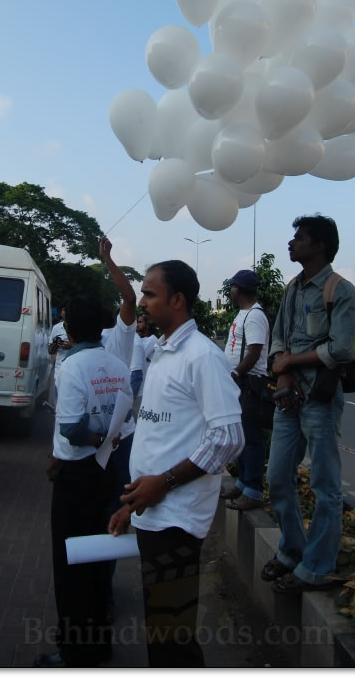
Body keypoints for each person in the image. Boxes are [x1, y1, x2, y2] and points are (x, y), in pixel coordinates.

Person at [108, 260, 244, 668]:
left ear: (178, 300)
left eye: (149, 293)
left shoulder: (202, 356)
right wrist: (132, 503)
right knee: (161, 631)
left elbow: (227, 438)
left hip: (176, 521)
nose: (141, 301)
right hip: (154, 512)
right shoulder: (164, 351)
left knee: (172, 640)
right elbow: (163, 436)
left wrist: (163, 484)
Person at [261, 215, 355, 594]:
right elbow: (279, 338)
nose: (292, 243)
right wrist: (282, 371)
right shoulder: (292, 288)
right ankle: (292, 550)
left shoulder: (341, 290)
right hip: (288, 398)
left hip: (319, 400)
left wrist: (293, 362)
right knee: (277, 478)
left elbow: (342, 348)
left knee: (325, 485)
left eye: (299, 238)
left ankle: (318, 566)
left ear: (319, 245)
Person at [34, 295, 133, 669]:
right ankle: (99, 646)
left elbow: (72, 429)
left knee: (69, 563)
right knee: (97, 558)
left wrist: (92, 440)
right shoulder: (117, 364)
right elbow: (121, 418)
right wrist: (107, 440)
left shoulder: (72, 366)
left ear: (70, 330)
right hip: (108, 472)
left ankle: (74, 653)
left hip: (77, 476)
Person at [222, 269, 271, 510]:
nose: (230, 291)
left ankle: (252, 490)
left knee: (251, 438)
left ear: (238, 289)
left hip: (249, 382)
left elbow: (254, 351)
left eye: (232, 287)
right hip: (240, 382)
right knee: (242, 437)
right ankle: (242, 483)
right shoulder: (244, 314)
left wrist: (236, 373)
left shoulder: (254, 316)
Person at [48, 304, 72, 402]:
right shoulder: (56, 328)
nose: (64, 313)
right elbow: (50, 351)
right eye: (63, 310)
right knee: (59, 402)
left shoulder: (78, 327)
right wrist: (55, 345)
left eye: (66, 310)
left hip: (73, 370)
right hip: (59, 370)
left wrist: (71, 346)